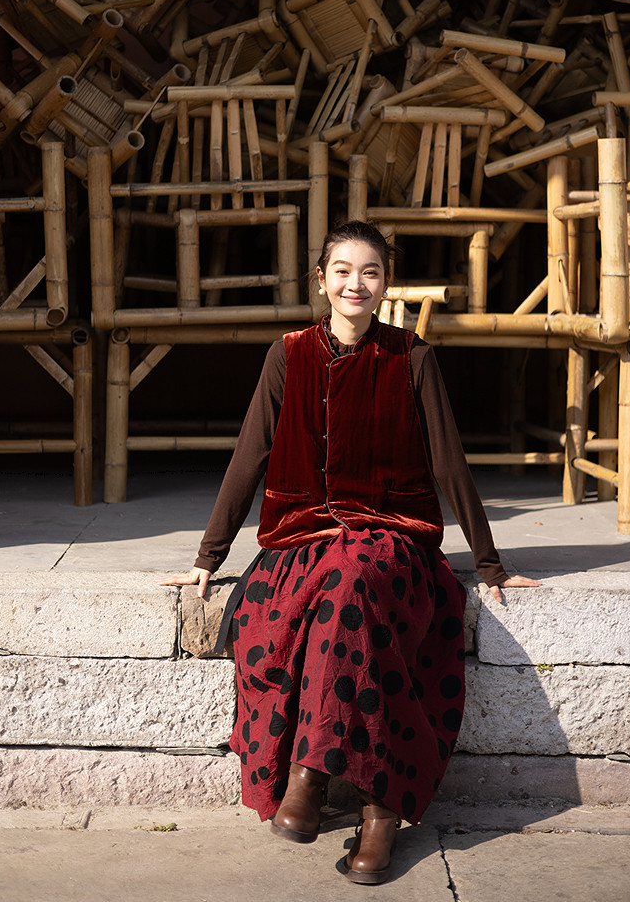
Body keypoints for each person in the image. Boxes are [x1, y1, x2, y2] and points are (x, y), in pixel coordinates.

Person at [159, 219, 540, 885]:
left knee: (354, 579)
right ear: (321, 279)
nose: (355, 283)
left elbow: (448, 461)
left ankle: (315, 776)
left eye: (370, 271)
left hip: (391, 536)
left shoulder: (412, 357)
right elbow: (250, 452)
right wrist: (209, 556)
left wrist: (489, 563)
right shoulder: (288, 354)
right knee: (328, 597)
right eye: (342, 270)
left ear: (385, 283)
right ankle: (377, 807)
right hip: (305, 536)